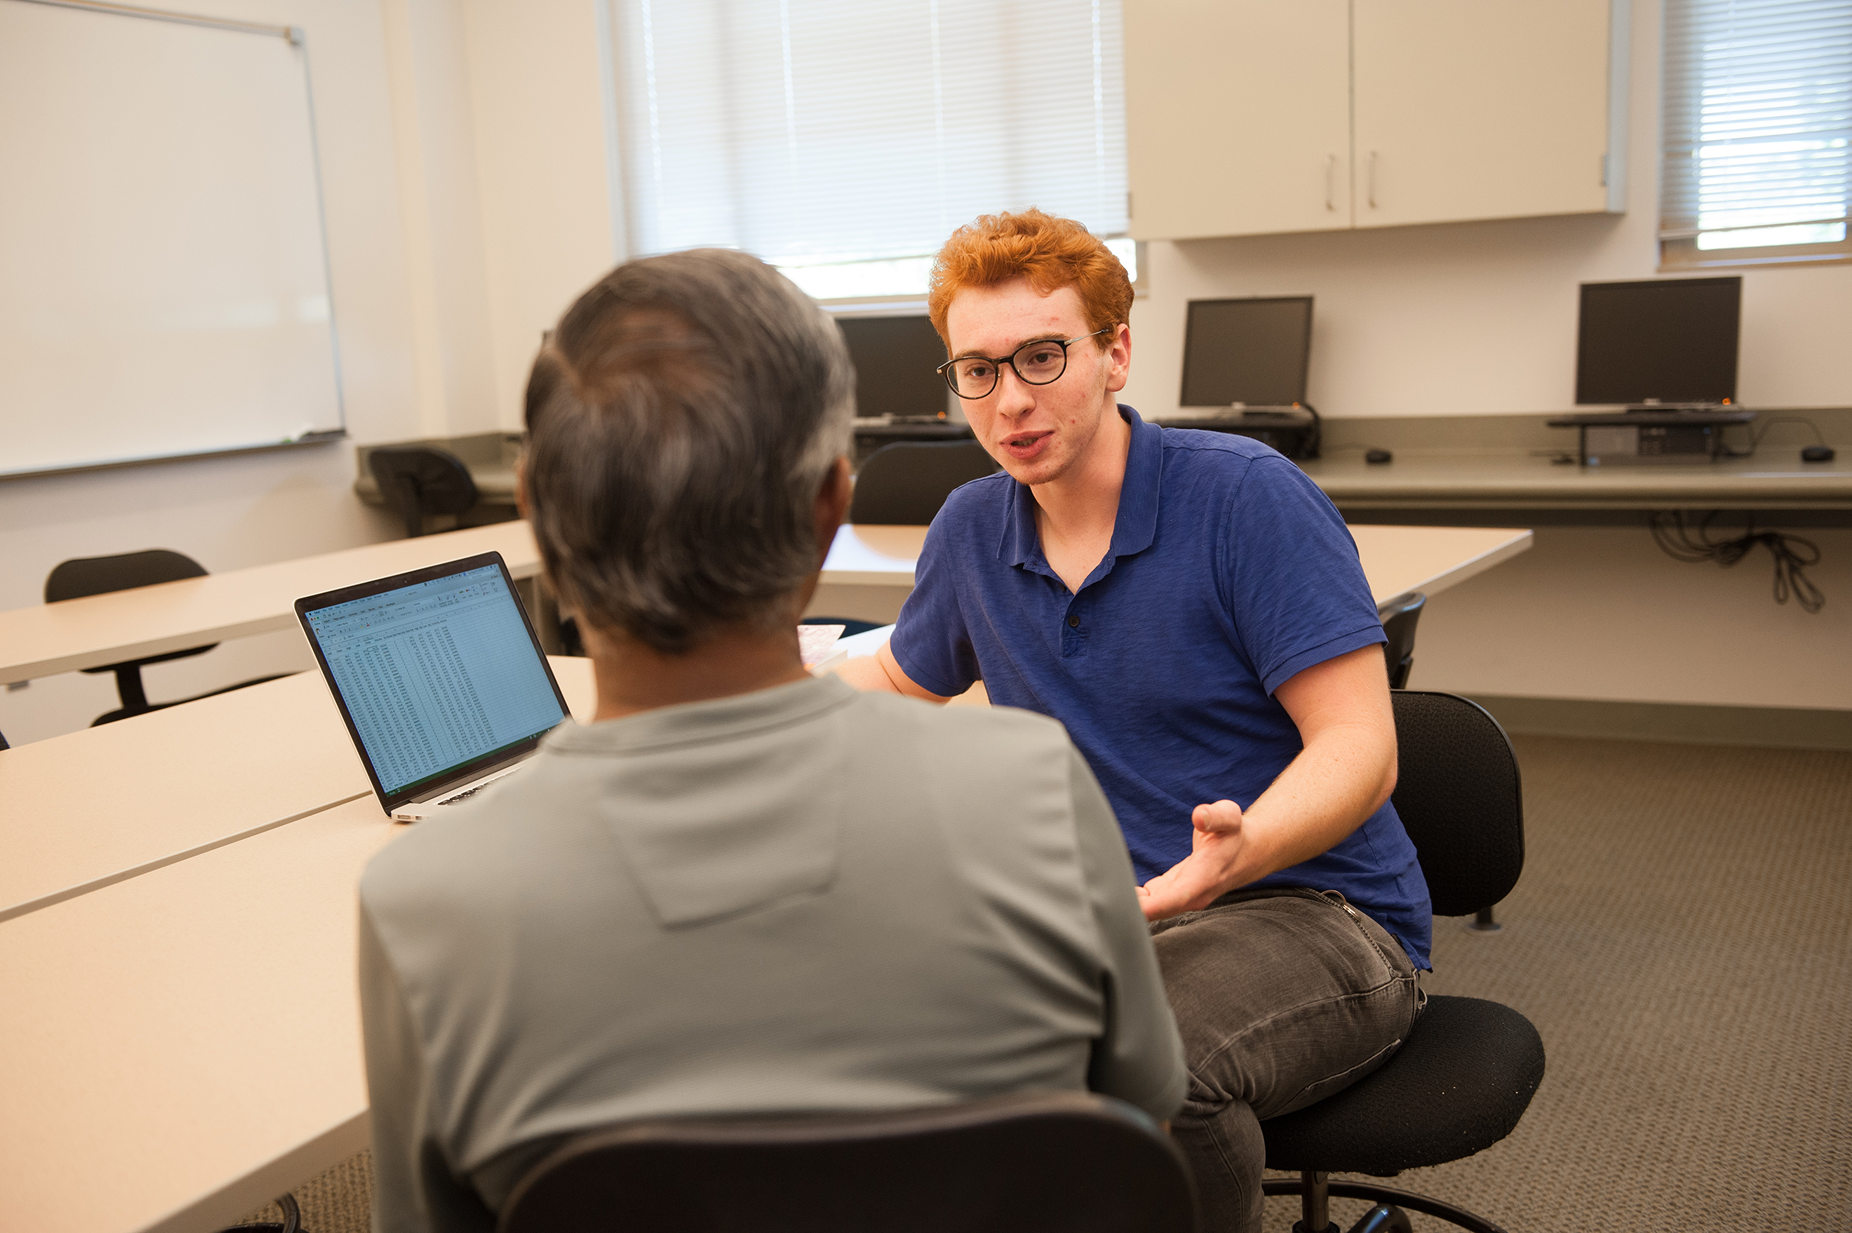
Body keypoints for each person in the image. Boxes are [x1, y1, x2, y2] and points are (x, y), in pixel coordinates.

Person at [355, 248, 1186, 1233]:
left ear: (536, 512)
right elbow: (1139, 1105)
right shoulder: (1032, 791)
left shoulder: (422, 902)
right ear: (829, 506)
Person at [836, 209, 1428, 1232]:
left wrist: (1242, 852)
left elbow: (1361, 752)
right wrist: (710, 717)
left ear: (1114, 353)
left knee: (1153, 1071)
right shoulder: (975, 526)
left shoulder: (1245, 499)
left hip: (1314, 910)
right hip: (1119, 915)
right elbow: (896, 681)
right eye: (976, 369)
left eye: (1041, 356)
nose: (1009, 399)